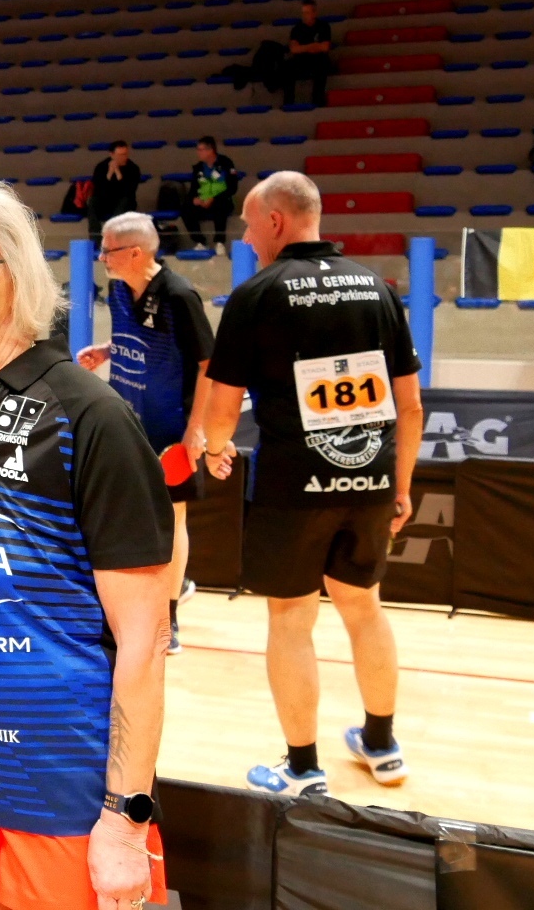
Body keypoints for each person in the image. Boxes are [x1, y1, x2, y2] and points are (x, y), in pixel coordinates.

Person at [0, 170, 172, 910]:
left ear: (14, 272)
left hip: (63, 783)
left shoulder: (91, 418)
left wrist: (126, 816)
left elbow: (144, 641)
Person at [200, 172, 425, 799]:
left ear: (276, 220)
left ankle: (302, 769)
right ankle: (382, 744)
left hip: (292, 488)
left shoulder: (257, 294)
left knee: (291, 618)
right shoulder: (377, 289)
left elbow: (223, 406)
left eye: (250, 226)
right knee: (364, 607)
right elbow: (410, 406)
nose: (248, 239)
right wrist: (401, 485)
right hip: (372, 479)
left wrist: (215, 451)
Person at [77, 212, 225, 656]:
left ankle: (169, 614)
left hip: (170, 428)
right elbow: (134, 336)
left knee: (173, 518)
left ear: (136, 252)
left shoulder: (179, 295)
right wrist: (107, 351)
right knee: (125, 513)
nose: (101, 257)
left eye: (108, 250)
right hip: (126, 420)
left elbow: (208, 365)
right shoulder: (119, 290)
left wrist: (195, 429)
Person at [73, 142, 142, 244]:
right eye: (120, 155)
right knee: (92, 202)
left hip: (124, 200)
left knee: (125, 201)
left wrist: (118, 173)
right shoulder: (101, 166)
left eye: (125, 154)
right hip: (105, 200)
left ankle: (113, 238)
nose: (123, 157)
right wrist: (109, 174)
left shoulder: (133, 168)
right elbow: (98, 189)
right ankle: (96, 240)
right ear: (112, 154)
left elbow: (129, 190)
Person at [180, 136, 240, 254]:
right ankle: (200, 242)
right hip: (204, 201)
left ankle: (219, 242)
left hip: (222, 200)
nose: (198, 153)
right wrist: (195, 200)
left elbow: (232, 188)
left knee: (220, 204)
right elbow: (193, 190)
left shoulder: (226, 163)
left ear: (210, 150)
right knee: (186, 208)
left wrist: (213, 198)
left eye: (200, 150)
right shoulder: (198, 168)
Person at [283, 0, 332, 107]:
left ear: (314, 13)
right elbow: (294, 49)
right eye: (303, 13)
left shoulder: (323, 26)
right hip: (302, 60)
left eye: (307, 13)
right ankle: (288, 102)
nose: (304, 16)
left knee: (322, 64)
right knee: (287, 66)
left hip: (318, 59)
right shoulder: (297, 29)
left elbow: (325, 47)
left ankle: (318, 101)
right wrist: (312, 46)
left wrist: (303, 48)